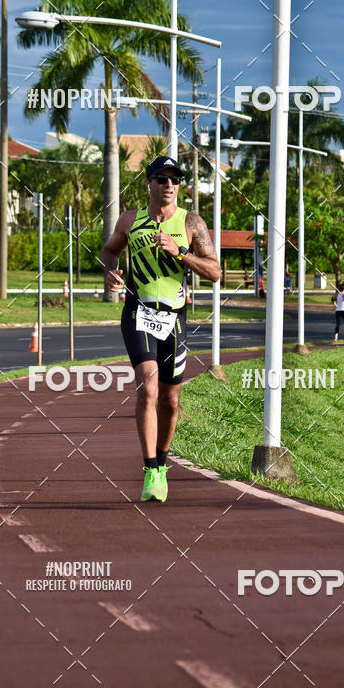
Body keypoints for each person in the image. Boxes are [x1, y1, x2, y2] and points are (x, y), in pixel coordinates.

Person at [101, 156, 221, 503]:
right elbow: (109, 253)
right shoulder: (129, 220)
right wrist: (110, 271)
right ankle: (150, 469)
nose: (170, 185)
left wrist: (181, 252)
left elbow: (215, 272)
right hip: (138, 312)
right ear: (148, 184)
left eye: (175, 179)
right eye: (162, 179)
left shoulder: (191, 222)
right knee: (148, 386)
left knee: (170, 398)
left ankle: (163, 463)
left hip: (175, 318)